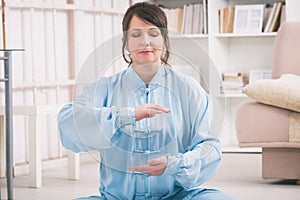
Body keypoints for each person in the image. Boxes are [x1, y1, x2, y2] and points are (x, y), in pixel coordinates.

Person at [58, 2, 236, 200]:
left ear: (165, 40)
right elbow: (68, 123)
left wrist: (175, 164)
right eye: (136, 35)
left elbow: (209, 147)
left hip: (177, 197)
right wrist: (125, 116)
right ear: (125, 42)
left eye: (153, 33)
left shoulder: (189, 89)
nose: (145, 42)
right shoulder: (105, 88)